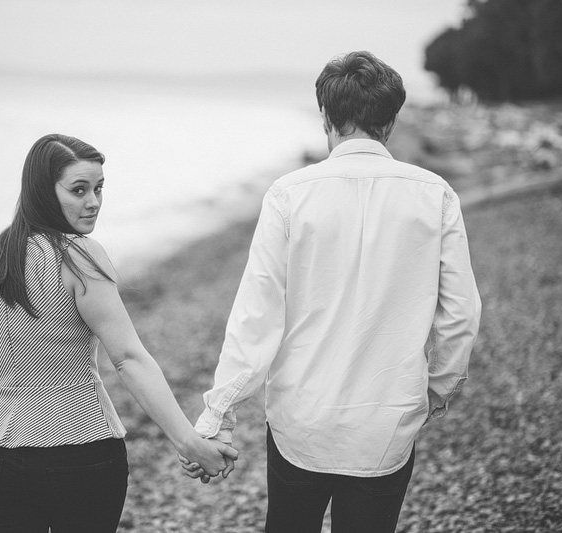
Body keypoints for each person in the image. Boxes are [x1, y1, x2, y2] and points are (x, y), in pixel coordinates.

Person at [185, 51, 482, 532]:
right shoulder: (435, 194)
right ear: (390, 120)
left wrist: (219, 413)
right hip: (387, 418)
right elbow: (460, 315)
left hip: (302, 418)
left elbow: (256, 316)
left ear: (326, 114)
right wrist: (436, 390)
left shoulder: (289, 194)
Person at [0, 133, 237, 532]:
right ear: (44, 190)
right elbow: (128, 358)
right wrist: (189, 443)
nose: (93, 201)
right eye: (78, 190)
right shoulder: (79, 254)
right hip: (79, 455)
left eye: (98, 188)